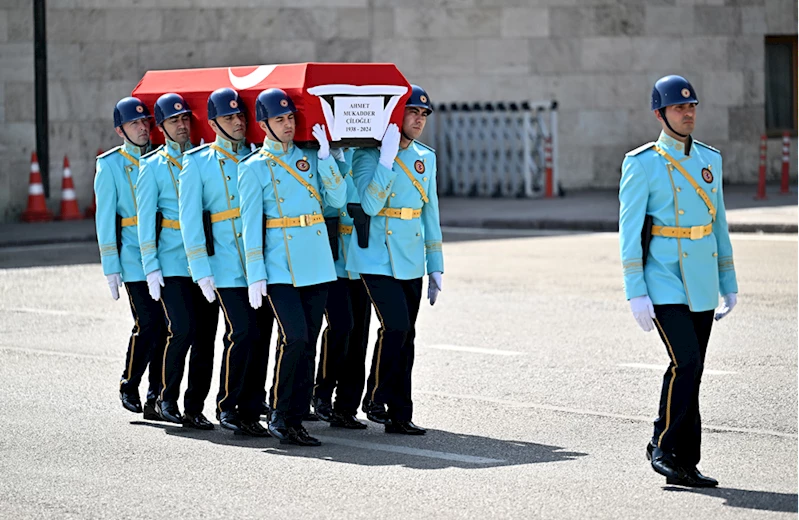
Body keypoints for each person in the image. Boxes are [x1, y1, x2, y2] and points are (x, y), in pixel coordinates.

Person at [619, 74, 738, 487]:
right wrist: (636, 291)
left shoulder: (710, 160)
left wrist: (729, 280)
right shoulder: (642, 163)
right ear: (660, 114)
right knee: (684, 360)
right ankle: (663, 447)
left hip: (702, 278)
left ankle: (687, 461)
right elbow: (630, 231)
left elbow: (718, 223)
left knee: (696, 369)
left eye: (692, 107)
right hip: (663, 278)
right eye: (678, 107)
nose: (688, 113)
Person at [239, 88, 347, 445]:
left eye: (290, 118)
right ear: (263, 124)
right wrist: (256, 274)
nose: (287, 125)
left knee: (309, 343)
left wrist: (329, 159)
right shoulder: (254, 168)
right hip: (279, 265)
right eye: (280, 119)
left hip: (316, 261)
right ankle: (280, 413)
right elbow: (250, 225)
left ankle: (296, 418)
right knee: (295, 337)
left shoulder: (311, 158)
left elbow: (337, 200)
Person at [345, 85, 444, 435]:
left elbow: (429, 213)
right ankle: (375, 399)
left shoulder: (425, 157)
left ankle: (401, 413)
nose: (419, 119)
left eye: (424, 114)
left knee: (408, 335)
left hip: (410, 255)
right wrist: (386, 160)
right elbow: (370, 206)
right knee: (396, 326)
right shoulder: (367, 155)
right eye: (413, 112)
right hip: (374, 256)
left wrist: (436, 264)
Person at [179, 88, 272, 436]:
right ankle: (222, 406)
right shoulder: (198, 162)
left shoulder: (257, 156)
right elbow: (190, 222)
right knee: (238, 333)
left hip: (258, 263)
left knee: (260, 334)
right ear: (214, 122)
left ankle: (249, 408)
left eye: (241, 116)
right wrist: (200, 269)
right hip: (222, 266)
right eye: (230, 117)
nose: (238, 122)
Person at [137, 93, 219, 429]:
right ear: (161, 127)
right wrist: (150, 266)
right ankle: (164, 397)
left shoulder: (202, 159)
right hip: (171, 262)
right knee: (181, 329)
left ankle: (194, 406)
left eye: (185, 119)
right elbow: (145, 222)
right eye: (174, 121)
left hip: (205, 262)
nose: (182, 125)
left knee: (205, 336)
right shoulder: (152, 167)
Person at [95, 96, 165, 420]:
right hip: (133, 257)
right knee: (148, 322)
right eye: (135, 123)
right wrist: (111, 268)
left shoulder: (160, 159)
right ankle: (129, 382)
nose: (142, 128)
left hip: (165, 253)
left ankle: (157, 395)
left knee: (169, 325)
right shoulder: (109, 166)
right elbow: (105, 220)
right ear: (120, 130)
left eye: (145, 122)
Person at [312, 148, 370, 430]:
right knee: (341, 326)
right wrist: (337, 161)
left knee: (358, 334)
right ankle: (322, 392)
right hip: (331, 257)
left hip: (361, 259)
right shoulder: (323, 154)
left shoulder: (366, 154)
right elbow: (334, 202)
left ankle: (347, 406)